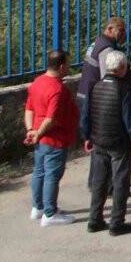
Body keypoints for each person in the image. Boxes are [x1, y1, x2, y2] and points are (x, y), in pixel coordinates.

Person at [82, 51, 131, 235]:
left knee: (99, 181)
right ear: (122, 68)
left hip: (98, 140)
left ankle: (94, 220)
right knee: (120, 181)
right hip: (118, 142)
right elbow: (128, 118)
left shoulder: (95, 86)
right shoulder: (124, 89)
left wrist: (86, 136)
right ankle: (117, 222)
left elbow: (86, 114)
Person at [25, 50, 78, 227]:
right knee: (52, 176)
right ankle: (50, 213)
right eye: (68, 64)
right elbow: (51, 118)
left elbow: (29, 109)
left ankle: (38, 207)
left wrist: (31, 131)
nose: (69, 67)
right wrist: (38, 133)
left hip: (40, 138)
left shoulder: (38, 82)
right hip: (55, 139)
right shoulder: (57, 89)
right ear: (61, 66)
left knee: (39, 172)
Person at [76, 17, 125, 121]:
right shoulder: (107, 48)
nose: (123, 33)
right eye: (120, 30)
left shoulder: (98, 42)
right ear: (110, 29)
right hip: (93, 98)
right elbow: (106, 78)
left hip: (84, 92)